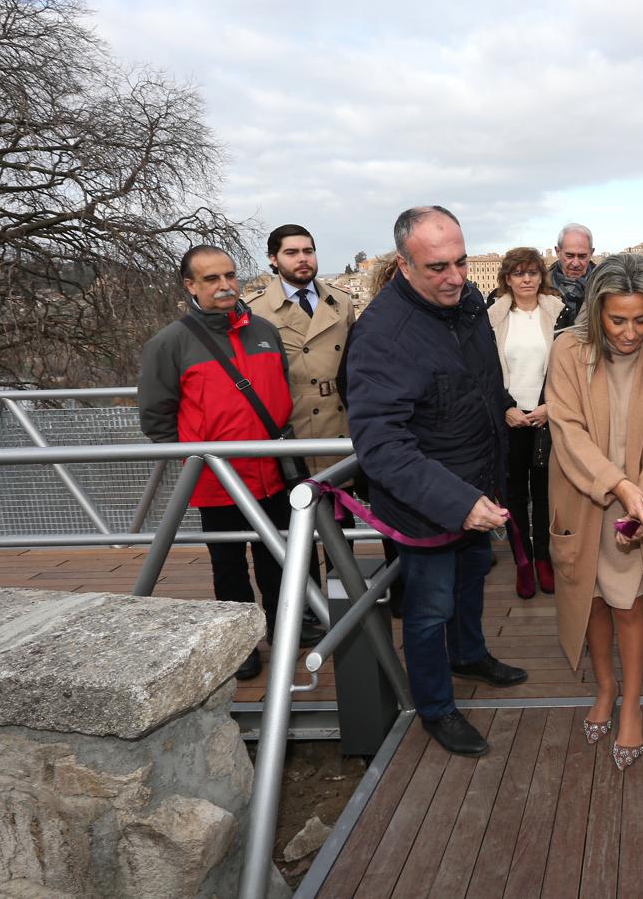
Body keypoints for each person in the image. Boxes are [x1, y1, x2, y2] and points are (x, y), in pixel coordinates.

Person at [345, 206, 528, 757]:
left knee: (472, 578)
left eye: (462, 262)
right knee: (429, 609)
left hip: (477, 485)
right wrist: (457, 501)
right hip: (425, 504)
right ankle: (435, 707)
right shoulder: (382, 335)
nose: (455, 277)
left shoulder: (467, 302)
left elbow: (478, 380)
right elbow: (380, 446)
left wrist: (507, 410)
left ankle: (469, 656)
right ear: (403, 265)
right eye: (438, 267)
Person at [138, 246, 317, 681]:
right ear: (190, 286)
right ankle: (240, 646)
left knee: (279, 559)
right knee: (229, 565)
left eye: (230, 276)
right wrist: (196, 456)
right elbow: (156, 417)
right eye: (212, 279)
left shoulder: (263, 330)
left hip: (275, 472)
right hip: (219, 480)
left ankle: (284, 630)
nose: (224, 286)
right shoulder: (170, 342)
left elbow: (280, 395)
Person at [545, 252, 643, 771]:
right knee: (592, 599)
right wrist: (619, 486)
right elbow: (567, 430)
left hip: (638, 507)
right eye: (618, 319)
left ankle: (632, 702)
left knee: (632, 602)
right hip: (582, 498)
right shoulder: (567, 349)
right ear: (597, 311)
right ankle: (605, 686)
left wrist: (641, 498)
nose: (629, 333)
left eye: (641, 319)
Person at [486, 247, 564, 598]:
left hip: (548, 417)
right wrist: (506, 408)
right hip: (512, 418)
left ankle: (544, 559)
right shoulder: (494, 318)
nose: (527, 279)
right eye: (519, 273)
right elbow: (485, 372)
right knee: (514, 494)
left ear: (541, 276)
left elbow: (571, 368)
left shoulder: (559, 313)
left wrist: (551, 405)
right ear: (507, 279)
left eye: (532, 272)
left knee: (546, 493)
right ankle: (522, 561)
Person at [247, 224, 355, 475]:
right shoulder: (256, 310)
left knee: (342, 505)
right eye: (292, 252)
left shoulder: (342, 301)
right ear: (273, 259)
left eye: (308, 251)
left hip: (341, 420)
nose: (303, 259)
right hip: (293, 424)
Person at [550, 223, 595, 323]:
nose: (575, 263)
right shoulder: (538, 286)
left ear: (591, 253)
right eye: (569, 256)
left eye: (582, 256)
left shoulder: (605, 286)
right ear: (558, 252)